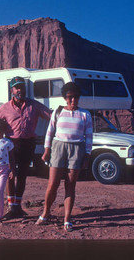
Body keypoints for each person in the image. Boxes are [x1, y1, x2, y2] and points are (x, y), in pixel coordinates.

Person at [36, 82, 92, 232]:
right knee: (53, 184)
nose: (73, 100)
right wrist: (46, 150)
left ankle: (67, 219)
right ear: (65, 97)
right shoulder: (58, 112)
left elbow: (89, 137)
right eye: (70, 97)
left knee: (70, 185)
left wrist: (87, 155)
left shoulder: (85, 114)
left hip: (77, 149)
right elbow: (50, 131)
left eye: (76, 97)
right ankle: (45, 213)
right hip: (58, 147)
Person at [0, 76, 52, 219]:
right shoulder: (4, 108)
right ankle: (11, 207)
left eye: (22, 87)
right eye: (17, 87)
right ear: (12, 90)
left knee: (23, 175)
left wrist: (66, 112)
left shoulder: (34, 105)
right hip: (11, 145)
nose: (20, 90)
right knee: (10, 176)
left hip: (28, 144)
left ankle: (17, 207)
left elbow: (51, 115)